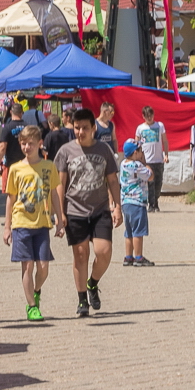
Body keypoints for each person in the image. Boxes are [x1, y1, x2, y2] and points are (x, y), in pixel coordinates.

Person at [55, 108, 122, 316]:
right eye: (77, 128)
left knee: (104, 251)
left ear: (94, 128)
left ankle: (93, 282)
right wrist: (60, 213)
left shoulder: (104, 150)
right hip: (75, 209)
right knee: (80, 254)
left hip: (100, 209)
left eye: (85, 128)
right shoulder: (65, 151)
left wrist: (117, 206)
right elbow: (60, 183)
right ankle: (82, 299)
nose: (80, 132)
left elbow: (112, 180)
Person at [3, 125, 61, 321]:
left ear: (39, 144)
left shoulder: (49, 166)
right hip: (21, 223)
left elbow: (54, 194)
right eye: (23, 144)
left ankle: (36, 291)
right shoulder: (15, 168)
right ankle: (32, 306)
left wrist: (60, 220)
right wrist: (7, 227)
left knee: (43, 267)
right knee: (27, 266)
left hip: (42, 223)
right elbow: (11, 198)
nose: (26, 147)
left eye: (30, 144)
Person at [119, 140, 154, 267]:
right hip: (137, 202)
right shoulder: (137, 165)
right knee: (138, 231)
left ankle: (128, 257)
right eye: (140, 151)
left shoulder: (123, 163)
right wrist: (146, 164)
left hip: (126, 202)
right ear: (135, 152)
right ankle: (138, 257)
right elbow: (150, 176)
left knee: (129, 231)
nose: (142, 153)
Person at [134, 106, 169, 212]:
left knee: (158, 182)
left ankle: (156, 200)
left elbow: (165, 141)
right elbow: (136, 144)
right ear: (143, 116)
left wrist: (166, 154)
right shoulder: (140, 128)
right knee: (149, 183)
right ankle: (151, 204)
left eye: (151, 116)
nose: (149, 118)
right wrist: (137, 158)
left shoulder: (160, 125)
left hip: (158, 159)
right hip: (146, 161)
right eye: (147, 116)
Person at [0, 102, 28, 193]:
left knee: (10, 192)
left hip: (10, 164)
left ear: (10, 112)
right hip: (25, 164)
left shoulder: (7, 127)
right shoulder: (27, 127)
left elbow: (2, 146)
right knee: (24, 191)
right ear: (21, 113)